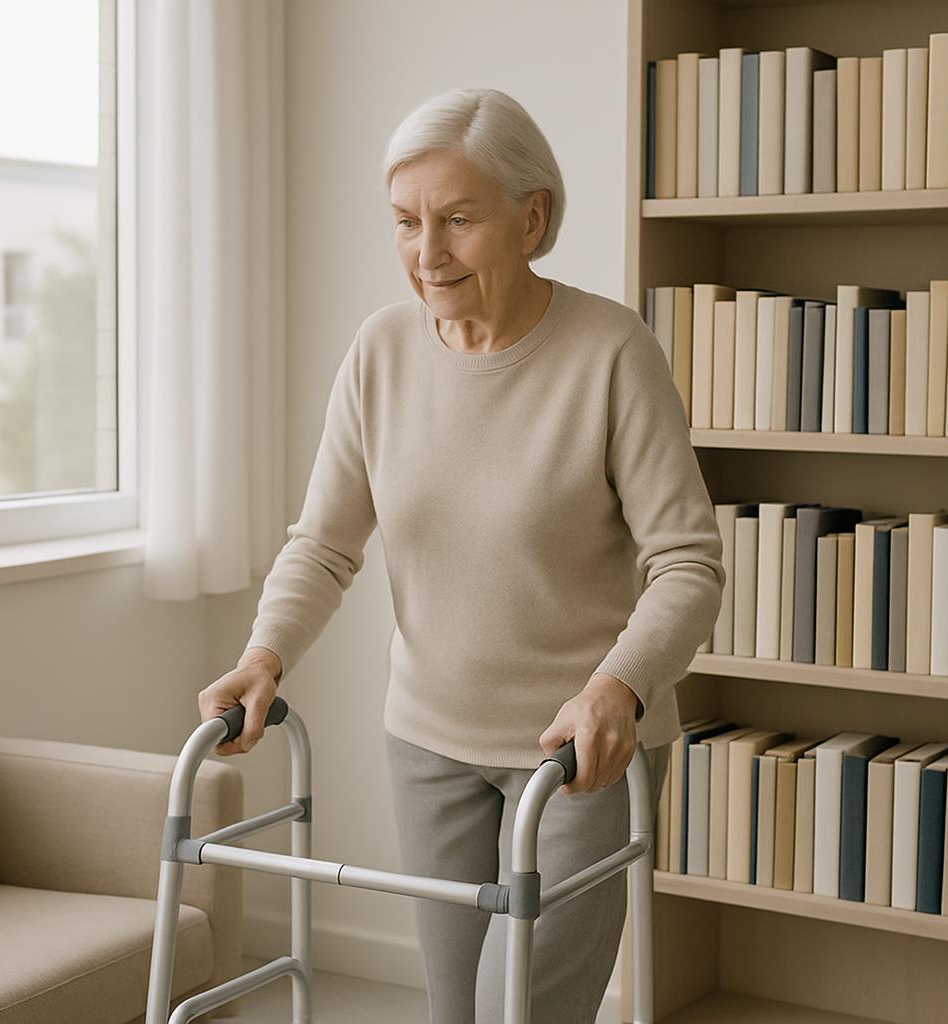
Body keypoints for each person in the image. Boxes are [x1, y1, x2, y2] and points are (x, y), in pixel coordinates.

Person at [198, 86, 725, 1024]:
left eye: (457, 220)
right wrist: (261, 656)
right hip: (428, 740)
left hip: (580, 755)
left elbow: (687, 561)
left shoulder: (611, 353)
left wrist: (620, 686)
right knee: (457, 1011)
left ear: (532, 218)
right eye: (406, 223)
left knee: (516, 1012)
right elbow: (324, 543)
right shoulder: (381, 352)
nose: (427, 254)